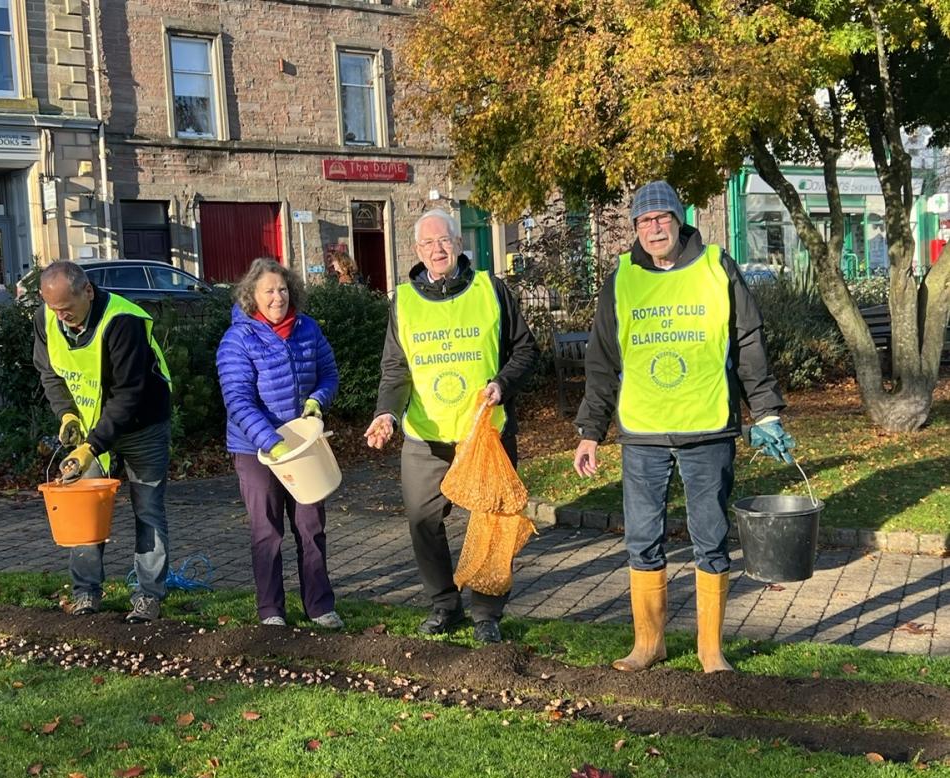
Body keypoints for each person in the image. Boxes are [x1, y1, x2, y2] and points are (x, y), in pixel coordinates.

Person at [573, 181, 795, 673]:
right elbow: (602, 362)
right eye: (643, 222)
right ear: (635, 229)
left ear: (679, 220)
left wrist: (766, 411)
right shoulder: (622, 279)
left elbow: (749, 343)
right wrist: (591, 431)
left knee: (710, 538)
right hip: (643, 433)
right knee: (642, 538)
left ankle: (709, 650)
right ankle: (648, 644)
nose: (653, 229)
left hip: (707, 429)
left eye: (662, 219)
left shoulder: (718, 268)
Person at [365, 208, 539, 644]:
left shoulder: (490, 289)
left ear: (458, 242)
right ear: (417, 251)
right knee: (423, 522)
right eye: (427, 244)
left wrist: (503, 383)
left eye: (443, 241)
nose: (436, 250)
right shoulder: (403, 301)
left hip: (486, 433)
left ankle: (486, 613)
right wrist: (385, 414)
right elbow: (395, 370)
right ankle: (444, 605)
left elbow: (526, 350)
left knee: (491, 524)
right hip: (427, 437)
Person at [33, 260, 172, 624]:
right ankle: (85, 594)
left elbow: (128, 394)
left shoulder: (123, 320)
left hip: (144, 424)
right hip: (91, 426)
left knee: (149, 510)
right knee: (82, 513)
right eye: (54, 308)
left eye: (67, 308)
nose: (61, 316)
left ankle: (148, 597)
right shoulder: (47, 319)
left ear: (88, 292)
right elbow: (50, 373)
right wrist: (67, 415)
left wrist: (90, 447)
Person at [216, 257, 344, 630]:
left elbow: (329, 374)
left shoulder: (307, 329)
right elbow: (237, 399)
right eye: (269, 291)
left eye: (283, 289)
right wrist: (272, 443)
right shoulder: (237, 339)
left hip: (303, 447)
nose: (278, 297)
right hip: (255, 450)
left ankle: (320, 606)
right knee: (267, 530)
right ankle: (271, 611)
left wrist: (318, 400)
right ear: (251, 297)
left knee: (310, 527)